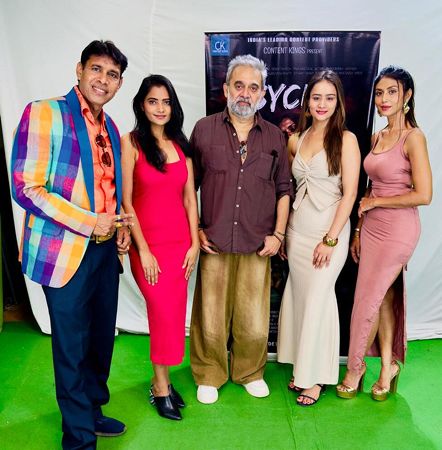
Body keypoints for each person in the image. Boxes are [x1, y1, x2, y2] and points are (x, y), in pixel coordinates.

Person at [11, 40, 131, 449]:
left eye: (112, 75)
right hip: (64, 251)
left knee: (100, 339)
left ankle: (92, 412)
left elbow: (106, 187)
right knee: (72, 346)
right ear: (79, 70)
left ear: (119, 84)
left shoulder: (110, 127)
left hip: (104, 250)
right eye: (96, 69)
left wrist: (117, 224)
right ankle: (78, 438)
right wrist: (89, 221)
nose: (103, 80)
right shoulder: (44, 112)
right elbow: (26, 187)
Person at [190, 54, 292, 404]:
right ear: (226, 89)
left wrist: (278, 235)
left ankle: (249, 372)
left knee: (253, 317)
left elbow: (284, 189)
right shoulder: (204, 130)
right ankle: (209, 373)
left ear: (262, 93)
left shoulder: (275, 137)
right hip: (214, 240)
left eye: (253, 87)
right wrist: (195, 229)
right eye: (239, 85)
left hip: (257, 242)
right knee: (210, 315)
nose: (245, 93)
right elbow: (188, 187)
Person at [336, 66, 432, 401]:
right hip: (372, 227)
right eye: (379, 93)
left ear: (407, 96)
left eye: (392, 91)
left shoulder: (413, 137)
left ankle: (355, 369)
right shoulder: (377, 138)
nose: (384, 99)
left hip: (399, 228)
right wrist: (358, 230)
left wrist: (377, 202)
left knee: (366, 299)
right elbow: (370, 189)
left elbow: (424, 194)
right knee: (385, 297)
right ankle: (388, 366)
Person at [277, 70, 361, 406]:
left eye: (329, 97)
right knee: (300, 299)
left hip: (329, 232)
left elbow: (350, 194)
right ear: (307, 102)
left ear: (338, 102)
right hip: (298, 231)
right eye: (316, 97)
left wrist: (330, 240)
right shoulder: (296, 139)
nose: (322, 104)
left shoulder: (347, 140)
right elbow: (289, 188)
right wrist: (284, 233)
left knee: (319, 300)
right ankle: (303, 365)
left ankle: (315, 378)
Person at [121, 75, 199, 420]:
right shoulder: (131, 143)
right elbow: (127, 202)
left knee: (173, 313)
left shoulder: (181, 145)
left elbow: (190, 199)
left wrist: (194, 243)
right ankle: (160, 386)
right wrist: (143, 250)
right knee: (161, 311)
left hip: (180, 245)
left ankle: (163, 380)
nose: (160, 108)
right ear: (142, 105)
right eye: (153, 101)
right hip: (148, 246)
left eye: (166, 102)